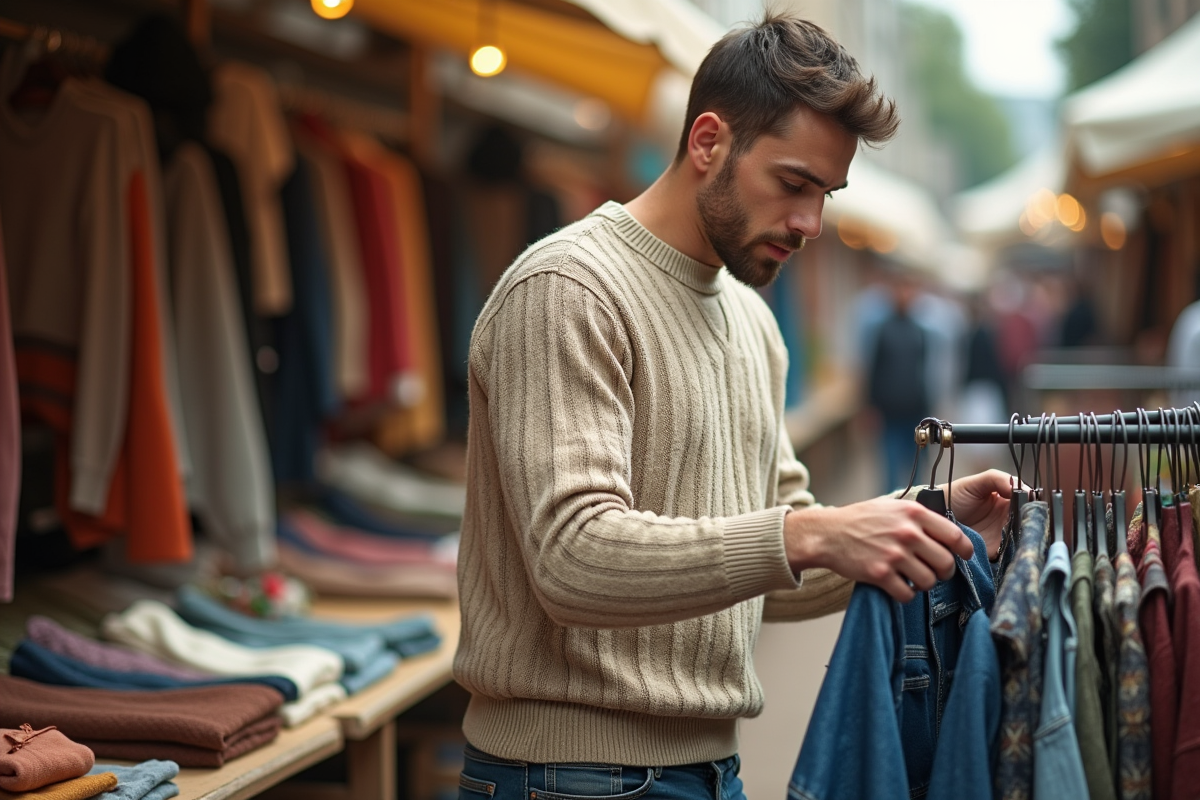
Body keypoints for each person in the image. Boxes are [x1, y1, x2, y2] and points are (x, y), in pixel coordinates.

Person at [453, 14, 1014, 799]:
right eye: (793, 183)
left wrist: (920, 516)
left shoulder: (751, 319)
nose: (810, 224)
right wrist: (812, 530)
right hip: (565, 778)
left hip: (711, 772)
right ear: (708, 141)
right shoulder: (569, 288)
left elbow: (779, 558)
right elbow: (572, 559)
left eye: (825, 194)